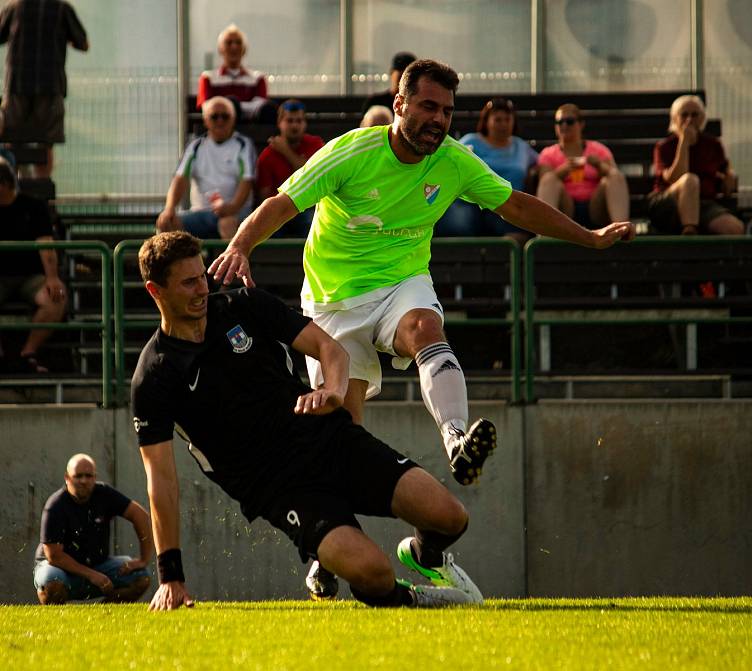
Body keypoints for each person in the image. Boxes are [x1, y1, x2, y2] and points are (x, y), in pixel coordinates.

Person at [208, 58, 632, 600]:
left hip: (402, 282)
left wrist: (591, 238)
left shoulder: (454, 160)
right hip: (334, 303)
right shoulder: (351, 151)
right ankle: (327, 552)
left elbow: (519, 206)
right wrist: (241, 245)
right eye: (429, 107)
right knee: (341, 428)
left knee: (425, 325)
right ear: (401, 103)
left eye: (448, 111)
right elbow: (281, 203)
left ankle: (455, 438)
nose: (439, 120)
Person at [132, 231, 483, 611]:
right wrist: (170, 576)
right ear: (156, 291)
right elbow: (161, 481)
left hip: (329, 440)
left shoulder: (243, 305)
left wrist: (333, 389)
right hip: (278, 487)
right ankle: (415, 600)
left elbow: (328, 348)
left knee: (451, 517)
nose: (202, 288)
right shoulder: (153, 376)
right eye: (188, 282)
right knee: (374, 573)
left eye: (202, 276)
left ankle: (423, 553)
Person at [33, 453, 153, 604]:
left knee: (141, 577)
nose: (84, 481)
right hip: (60, 569)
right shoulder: (55, 505)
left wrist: (144, 559)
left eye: (88, 476)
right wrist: (92, 575)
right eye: (78, 476)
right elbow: (54, 556)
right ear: (67, 478)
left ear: (95, 477)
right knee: (52, 583)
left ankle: (104, 614)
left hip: (99, 566)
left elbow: (141, 516)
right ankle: (59, 620)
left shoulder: (104, 494)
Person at [0, 0, 89, 178]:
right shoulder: (62, 9)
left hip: (17, 86)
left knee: (12, 138)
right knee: (46, 142)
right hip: (50, 87)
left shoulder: (14, 7)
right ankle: (42, 191)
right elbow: (83, 44)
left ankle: (14, 185)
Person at [437, 97, 539, 243]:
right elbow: (450, 162)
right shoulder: (471, 141)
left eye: (507, 119)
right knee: (457, 223)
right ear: (487, 121)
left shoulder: (521, 147)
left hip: (507, 206)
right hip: (473, 205)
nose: (503, 124)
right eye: (498, 120)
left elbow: (542, 163)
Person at [157, 96, 256, 240]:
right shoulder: (195, 146)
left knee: (227, 223)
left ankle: (228, 263)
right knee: (167, 222)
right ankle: (178, 263)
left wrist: (232, 208)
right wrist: (169, 208)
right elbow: (180, 178)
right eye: (214, 117)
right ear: (206, 120)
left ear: (233, 119)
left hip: (236, 212)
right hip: (201, 212)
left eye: (225, 116)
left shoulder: (243, 145)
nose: (220, 121)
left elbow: (246, 182)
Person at [0, 157, 66, 373]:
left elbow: (45, 244)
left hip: (30, 278)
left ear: (5, 184)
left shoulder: (33, 207)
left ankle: (27, 353)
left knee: (56, 299)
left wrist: (52, 278)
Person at [647, 95, 744, 236]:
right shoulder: (664, 147)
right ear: (675, 119)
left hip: (702, 204)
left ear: (702, 118)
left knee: (734, 228)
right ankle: (690, 230)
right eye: (684, 115)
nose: (689, 120)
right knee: (689, 180)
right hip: (669, 203)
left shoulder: (713, 145)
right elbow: (674, 178)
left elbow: (725, 168)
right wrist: (684, 143)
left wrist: (728, 176)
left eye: (695, 115)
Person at [536, 104, 630, 231]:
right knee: (549, 180)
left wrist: (599, 165)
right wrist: (564, 170)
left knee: (615, 176)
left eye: (569, 121)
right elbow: (544, 182)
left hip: (596, 207)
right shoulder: (548, 154)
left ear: (581, 124)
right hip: (565, 209)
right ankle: (546, 237)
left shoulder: (598, 150)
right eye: (559, 122)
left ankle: (621, 231)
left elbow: (615, 177)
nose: (564, 126)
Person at [256, 99, 324, 238]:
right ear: (279, 123)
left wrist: (286, 151)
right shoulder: (267, 156)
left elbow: (313, 176)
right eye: (289, 121)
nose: (294, 125)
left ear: (305, 123)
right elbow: (265, 195)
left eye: (299, 121)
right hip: (280, 209)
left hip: (309, 207)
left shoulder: (315, 145)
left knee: (312, 222)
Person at [196, 24, 275, 124]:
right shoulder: (208, 78)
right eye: (228, 43)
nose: (234, 47)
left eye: (238, 42)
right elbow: (207, 108)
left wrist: (232, 106)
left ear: (244, 49)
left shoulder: (258, 78)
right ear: (220, 49)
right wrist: (235, 107)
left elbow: (261, 109)